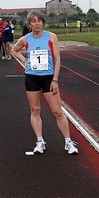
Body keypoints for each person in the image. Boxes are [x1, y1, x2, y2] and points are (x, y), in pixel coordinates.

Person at [11, 10, 78, 155]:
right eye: (33, 21)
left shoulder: (51, 36)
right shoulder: (25, 39)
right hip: (31, 77)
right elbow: (14, 50)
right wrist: (24, 60)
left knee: (57, 111)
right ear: (29, 24)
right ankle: (40, 141)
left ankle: (68, 142)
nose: (37, 23)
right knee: (35, 110)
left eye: (39, 20)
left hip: (49, 78)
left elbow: (57, 59)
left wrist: (55, 79)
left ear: (43, 22)